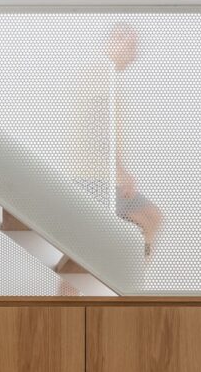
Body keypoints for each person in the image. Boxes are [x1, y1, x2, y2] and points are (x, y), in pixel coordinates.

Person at [68, 23, 163, 257]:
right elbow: (97, 127)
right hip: (94, 179)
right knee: (149, 218)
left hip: (97, 176)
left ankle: (125, 282)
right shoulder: (100, 73)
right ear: (116, 40)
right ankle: (131, 284)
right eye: (131, 47)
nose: (135, 55)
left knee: (81, 256)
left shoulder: (102, 73)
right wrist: (122, 172)